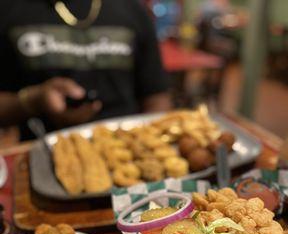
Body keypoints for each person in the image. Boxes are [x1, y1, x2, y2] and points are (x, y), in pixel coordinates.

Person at [0, 0, 171, 140]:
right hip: (41, 149)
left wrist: (150, 143)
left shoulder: (133, 10)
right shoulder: (9, 8)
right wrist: (35, 100)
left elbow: (156, 97)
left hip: (124, 146)